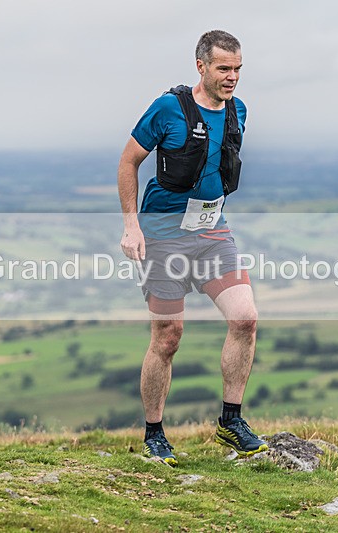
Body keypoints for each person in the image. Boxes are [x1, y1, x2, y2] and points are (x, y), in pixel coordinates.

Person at [117, 30, 267, 466]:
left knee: (246, 318)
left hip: (212, 232)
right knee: (167, 337)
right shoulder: (167, 109)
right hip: (162, 234)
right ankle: (154, 433)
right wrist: (132, 227)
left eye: (238, 68)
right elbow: (129, 162)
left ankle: (230, 420)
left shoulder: (238, 111)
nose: (233, 77)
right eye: (224, 68)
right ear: (200, 66)